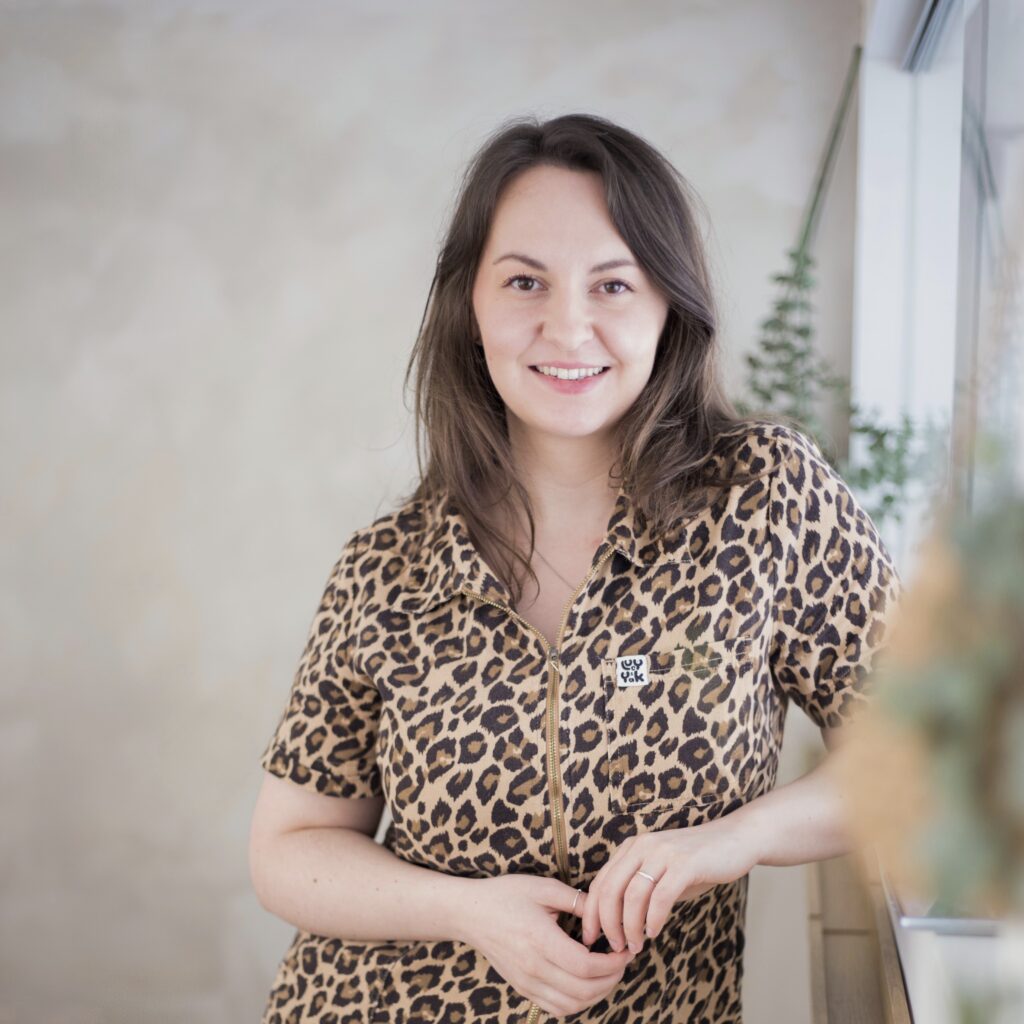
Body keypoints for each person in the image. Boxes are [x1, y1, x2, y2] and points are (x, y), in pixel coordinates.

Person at [248, 112, 903, 1024]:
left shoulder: (764, 498)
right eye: (525, 281)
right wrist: (469, 912)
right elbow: (289, 845)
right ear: (470, 308)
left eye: (613, 284)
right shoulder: (386, 567)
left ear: (669, 305)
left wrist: (734, 839)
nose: (567, 326)